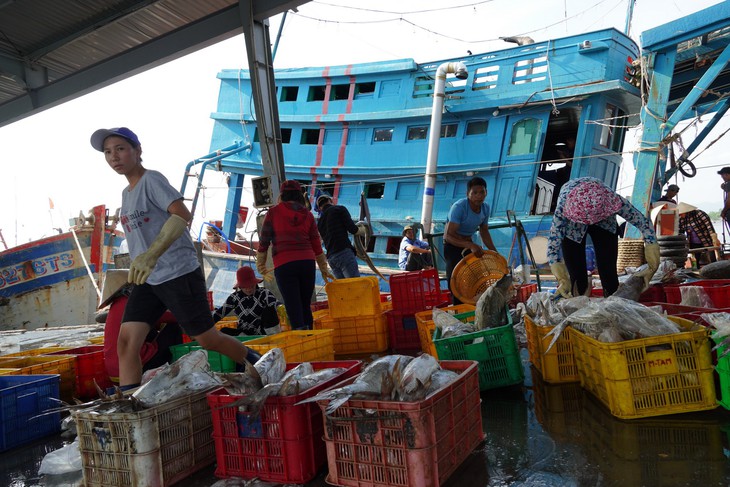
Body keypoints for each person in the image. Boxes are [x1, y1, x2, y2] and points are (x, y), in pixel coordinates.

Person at [91, 126, 260, 390]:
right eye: (108, 152)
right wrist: (142, 261)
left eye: (121, 149)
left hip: (177, 272)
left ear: (137, 151)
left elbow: (181, 214)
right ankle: (133, 407)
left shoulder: (152, 180)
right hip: (148, 280)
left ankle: (256, 361)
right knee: (126, 343)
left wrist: (151, 255)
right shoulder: (127, 194)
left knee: (206, 338)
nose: (114, 157)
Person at [548, 177, 659, 298]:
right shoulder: (564, 205)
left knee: (608, 271)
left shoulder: (612, 200)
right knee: (576, 277)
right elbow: (554, 239)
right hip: (573, 225)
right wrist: (560, 275)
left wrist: (652, 249)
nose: (589, 222)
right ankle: (577, 298)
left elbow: (643, 222)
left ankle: (612, 301)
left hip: (604, 222)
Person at [257, 180, 335, 330]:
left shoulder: (273, 213)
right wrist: (323, 267)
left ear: (282, 194)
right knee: (305, 304)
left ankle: (302, 340)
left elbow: (264, 240)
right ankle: (310, 336)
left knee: (293, 305)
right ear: (299, 194)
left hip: (284, 264)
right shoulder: (307, 214)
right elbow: (316, 244)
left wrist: (261, 264)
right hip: (307, 263)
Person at [99, 270, 183, 385]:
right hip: (132, 367)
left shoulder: (117, 304)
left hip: (113, 371)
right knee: (173, 328)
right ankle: (175, 368)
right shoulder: (130, 303)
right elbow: (170, 317)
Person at [444, 176, 498, 304]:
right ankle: (459, 313)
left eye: (482, 192)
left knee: (474, 279)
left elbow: (484, 231)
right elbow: (448, 236)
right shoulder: (459, 207)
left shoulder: (485, 208)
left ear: (486, 193)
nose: (479, 196)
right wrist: (470, 245)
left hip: (469, 245)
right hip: (452, 245)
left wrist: (494, 252)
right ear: (468, 194)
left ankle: (472, 308)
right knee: (455, 282)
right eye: (475, 193)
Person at [212, 266, 280, 336]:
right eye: (245, 287)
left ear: (255, 283)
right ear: (240, 287)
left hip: (264, 331)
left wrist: (281, 307)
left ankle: (273, 337)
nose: (248, 289)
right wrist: (205, 326)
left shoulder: (264, 293)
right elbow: (220, 313)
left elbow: (275, 304)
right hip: (244, 332)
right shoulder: (234, 297)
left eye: (251, 286)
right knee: (224, 331)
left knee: (269, 310)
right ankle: (244, 339)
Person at [316, 194, 366, 279]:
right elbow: (353, 229)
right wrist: (364, 230)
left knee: (343, 288)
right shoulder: (339, 209)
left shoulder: (319, 222)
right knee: (354, 286)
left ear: (320, 208)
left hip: (331, 258)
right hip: (344, 253)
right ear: (331, 201)